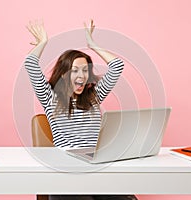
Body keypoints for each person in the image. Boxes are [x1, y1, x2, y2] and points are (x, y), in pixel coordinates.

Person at [24, 19, 137, 200]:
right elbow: (30, 64)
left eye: (85, 70)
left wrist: (92, 45)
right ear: (63, 74)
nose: (81, 76)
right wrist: (42, 43)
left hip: (97, 170)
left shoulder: (94, 96)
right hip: (66, 173)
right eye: (75, 70)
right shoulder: (50, 97)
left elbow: (117, 66)